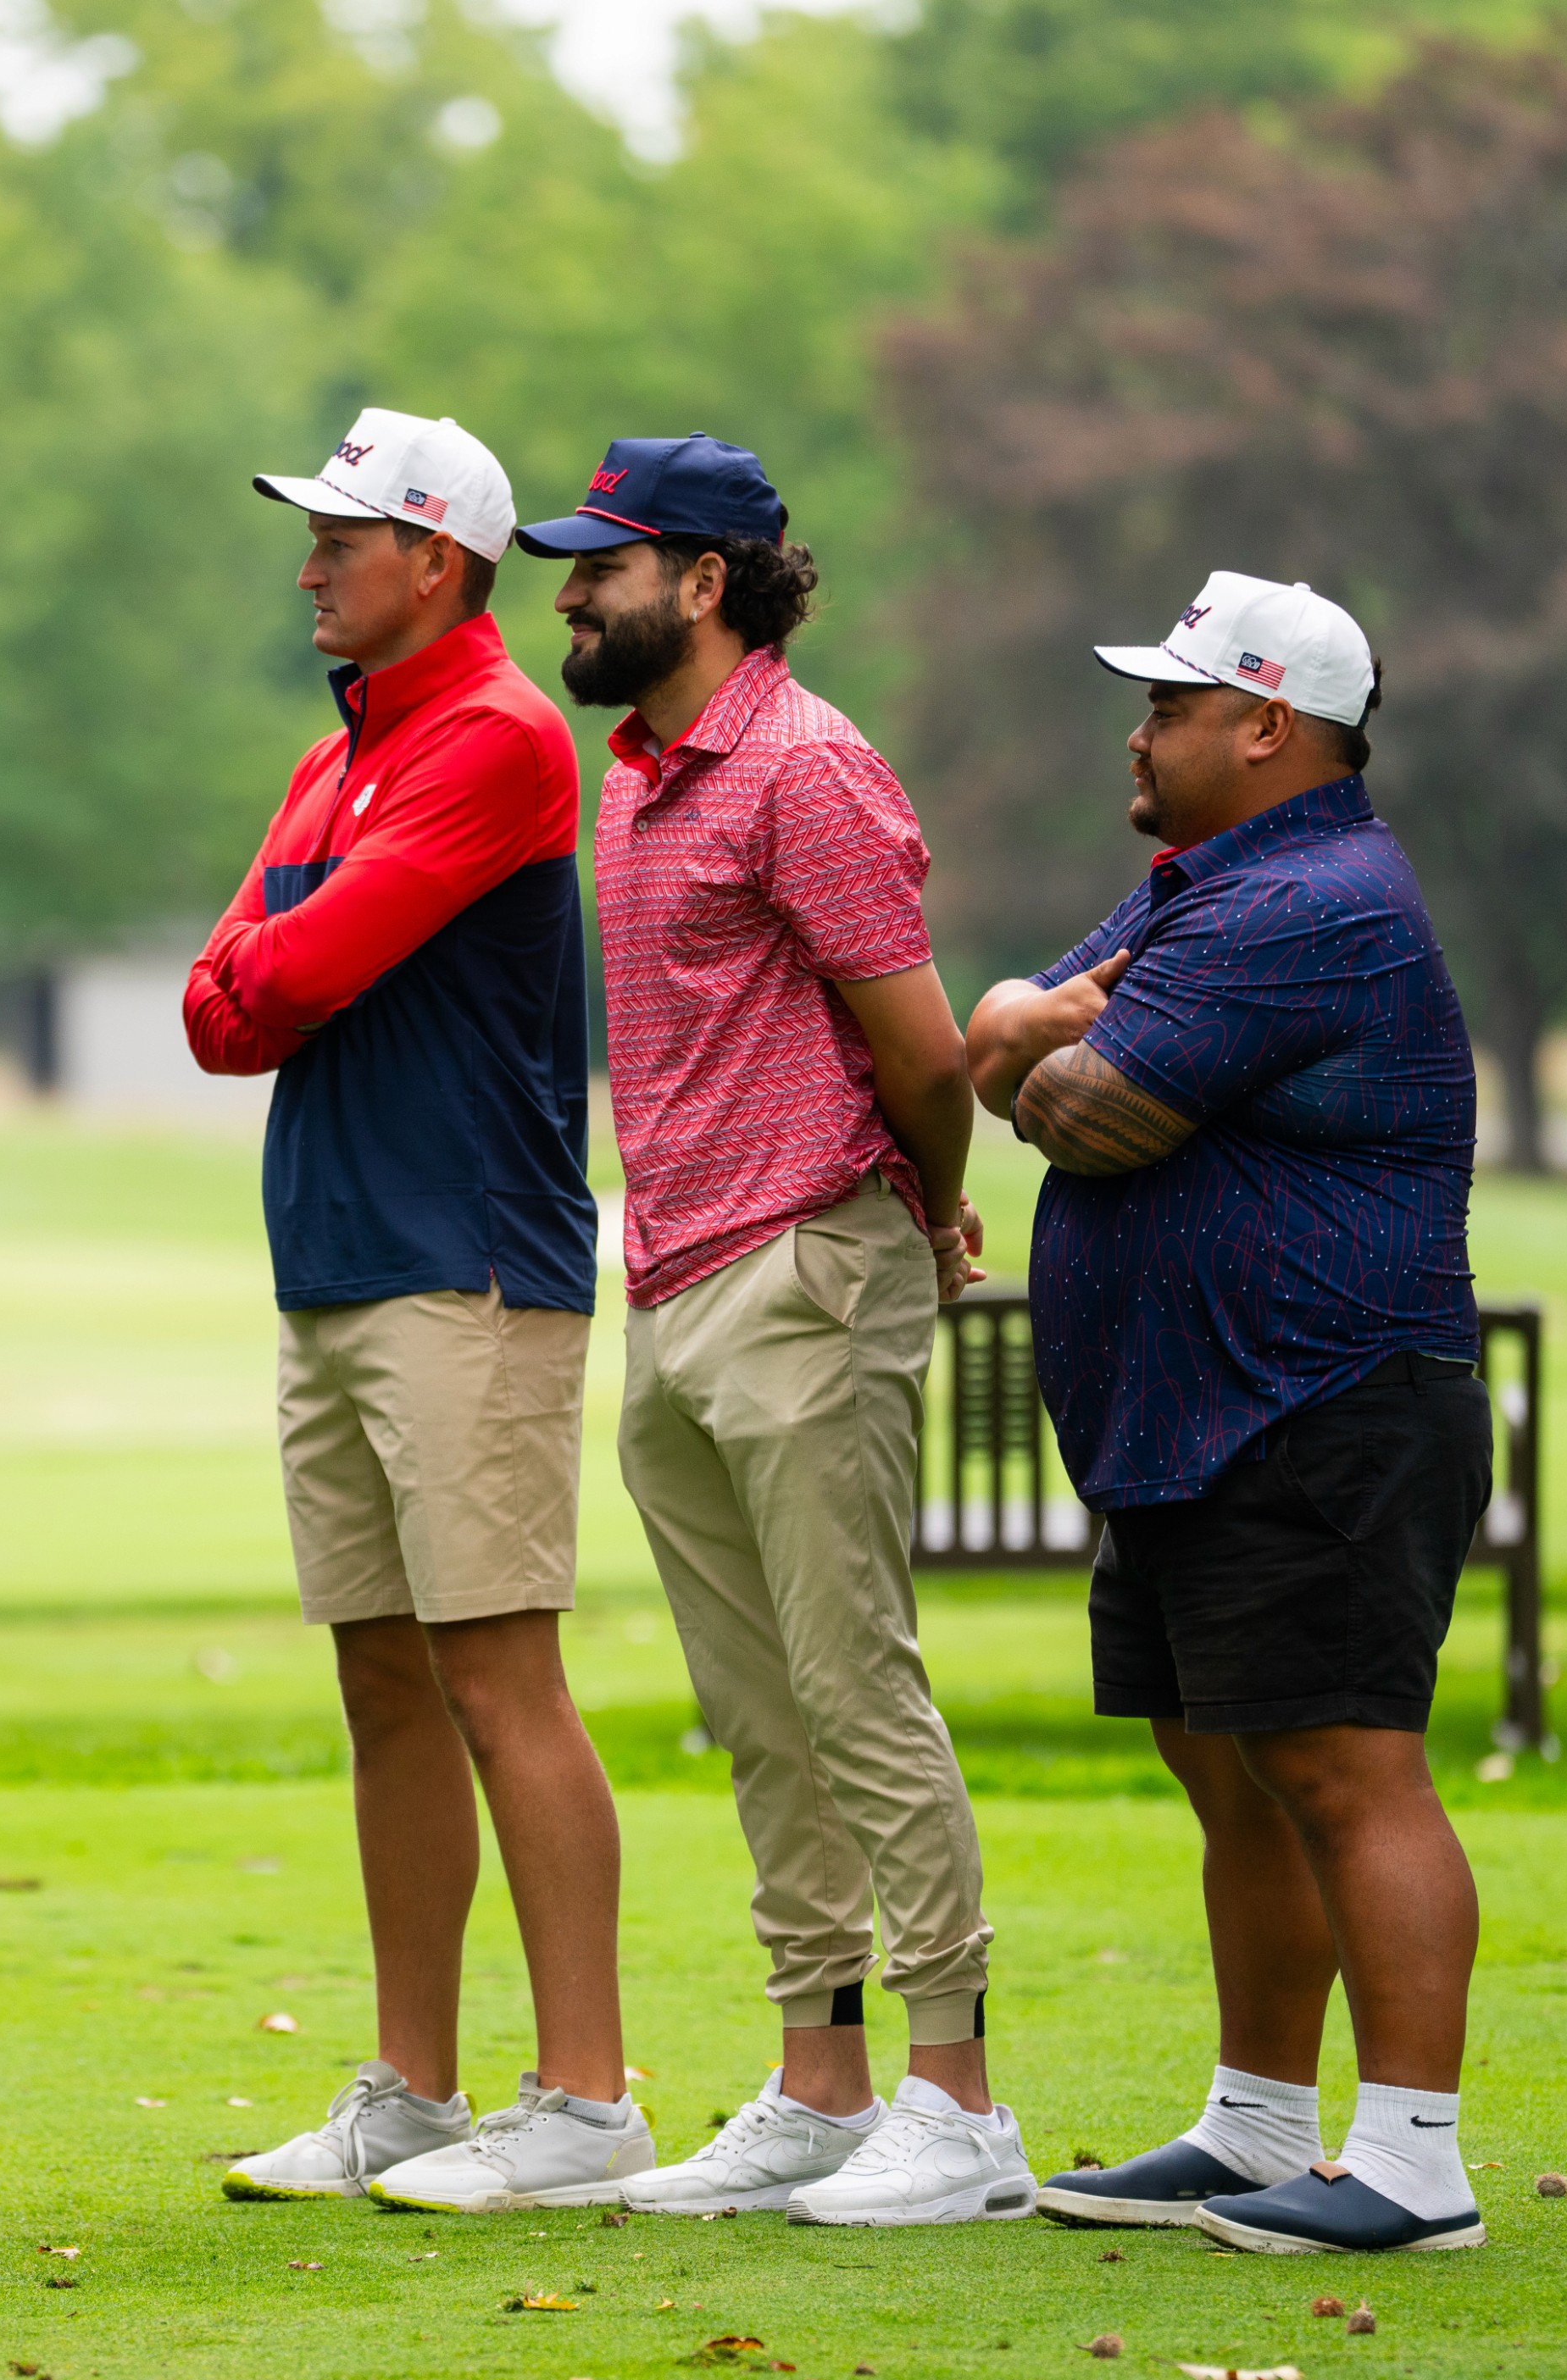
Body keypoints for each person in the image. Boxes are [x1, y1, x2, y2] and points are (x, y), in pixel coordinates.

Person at [517, 436, 1029, 2228]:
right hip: (668, 1284)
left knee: (850, 1680)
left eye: (601, 565)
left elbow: (923, 1045)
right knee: (754, 1706)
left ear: (704, 581)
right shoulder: (638, 772)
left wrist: (930, 1202)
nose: (568, 594)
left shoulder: (804, 769)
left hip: (808, 1265)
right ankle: (817, 2084)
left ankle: (955, 2103)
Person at [975, 574, 1492, 2256]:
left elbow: (1085, 1112)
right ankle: (1255, 2121)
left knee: (1344, 1771)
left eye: (1170, 707)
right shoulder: (1202, 890)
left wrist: (1030, 1041)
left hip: (1317, 1401)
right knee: (1234, 1775)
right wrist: (1018, 1035)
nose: (1136, 733)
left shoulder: (1311, 903)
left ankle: (1412, 2162)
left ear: (1264, 726)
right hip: (1201, 1416)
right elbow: (995, 1046)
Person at [187, 408, 649, 2216]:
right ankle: (413, 2088)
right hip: (334, 1258)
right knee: (380, 1678)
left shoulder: (493, 739)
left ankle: (586, 2100)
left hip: (465, 1263)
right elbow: (220, 1012)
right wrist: (268, 969)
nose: (308, 563)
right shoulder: (337, 759)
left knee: (492, 1671)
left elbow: (281, 973)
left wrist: (272, 968)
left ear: (433, 559)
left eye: (339, 538)